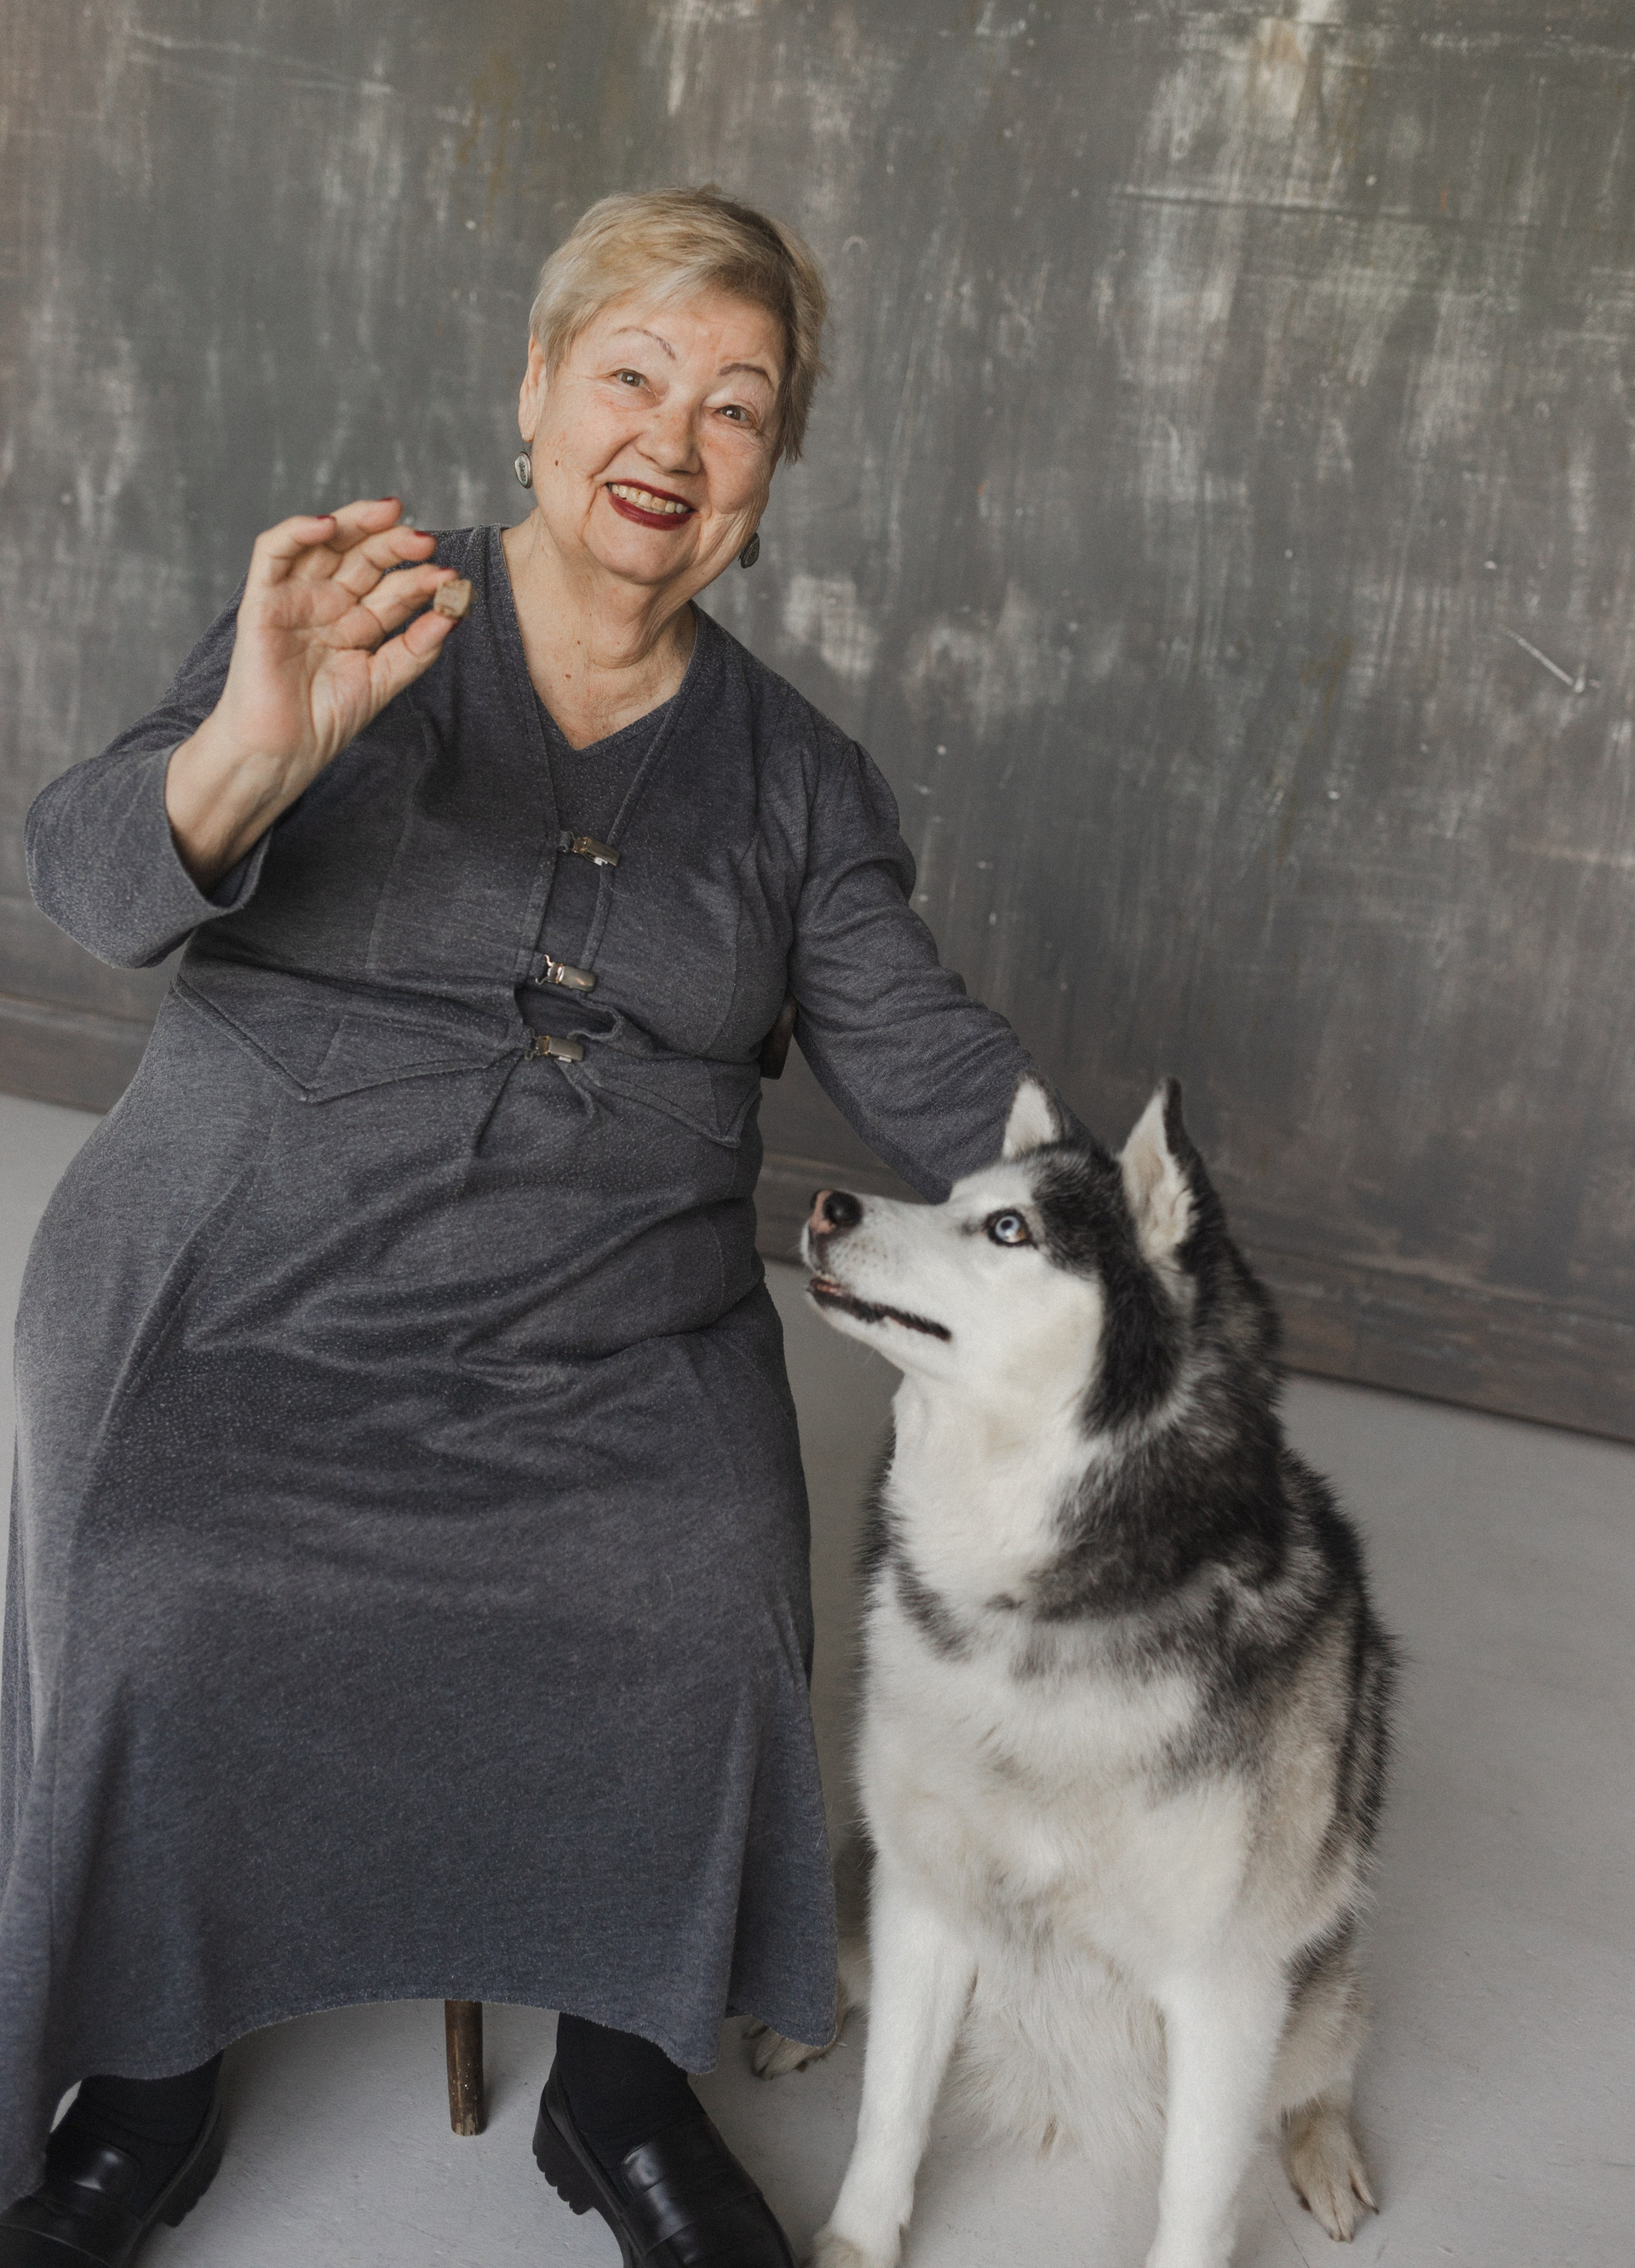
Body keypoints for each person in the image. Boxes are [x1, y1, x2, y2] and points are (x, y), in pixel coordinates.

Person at [1, 186, 1030, 2266]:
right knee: (163, 1583)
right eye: (634, 373)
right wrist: (248, 748)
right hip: (242, 1280)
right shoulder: (358, 615)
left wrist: (1139, 1215)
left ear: (771, 473)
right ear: (538, 391)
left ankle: (625, 2089)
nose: (676, 437)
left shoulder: (798, 779)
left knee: (703, 1598)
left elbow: (928, 1061)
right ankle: (148, 2080)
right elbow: (92, 887)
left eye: (739, 405)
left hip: (608, 1329)